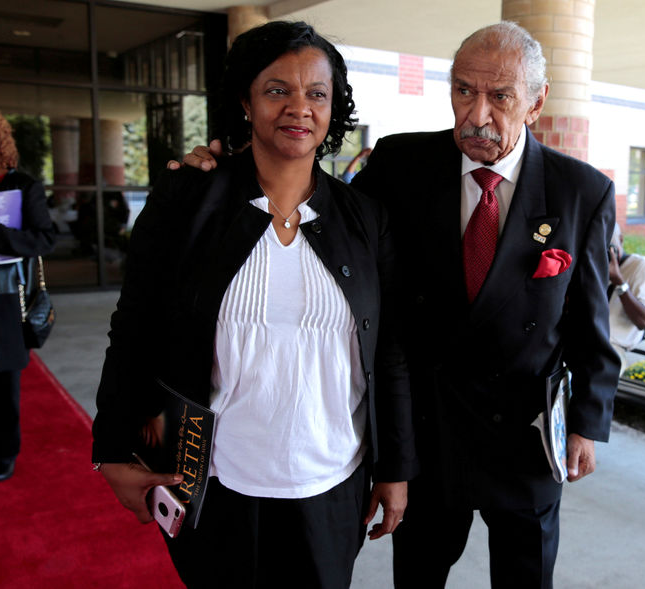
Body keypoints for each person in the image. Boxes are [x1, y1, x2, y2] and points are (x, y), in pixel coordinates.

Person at [177, 21, 619, 588]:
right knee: (418, 575)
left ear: (536, 102)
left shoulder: (581, 191)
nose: (477, 114)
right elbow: (324, 215)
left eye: (500, 97)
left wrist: (586, 423)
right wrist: (228, 172)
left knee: (527, 575)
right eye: (463, 91)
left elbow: (590, 324)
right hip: (428, 431)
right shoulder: (400, 164)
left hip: (524, 436)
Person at [92, 22, 417, 589]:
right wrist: (112, 449)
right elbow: (134, 328)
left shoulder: (366, 219)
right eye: (277, 90)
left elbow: (388, 351)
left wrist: (396, 468)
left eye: (317, 93)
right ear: (245, 100)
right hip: (214, 483)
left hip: (333, 483)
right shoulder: (187, 200)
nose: (299, 108)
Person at [0, 105, 56, 482]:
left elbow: (44, 239)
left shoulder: (21, 186)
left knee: (0, 392)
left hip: (3, 306)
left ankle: (3, 454)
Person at [608, 223, 645, 374]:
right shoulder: (594, 265)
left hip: (612, 348)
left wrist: (619, 281)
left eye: (610, 246)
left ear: (621, 240)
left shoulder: (641, 265)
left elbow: (642, 321)